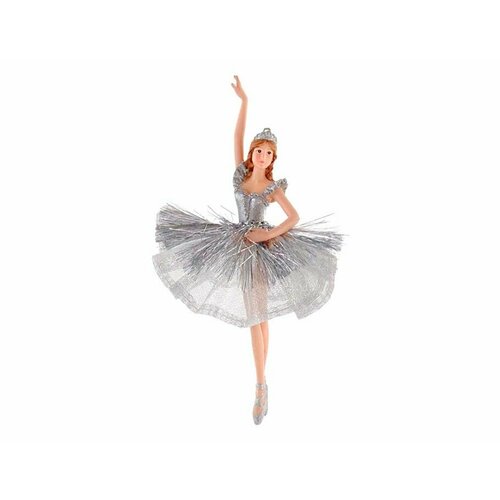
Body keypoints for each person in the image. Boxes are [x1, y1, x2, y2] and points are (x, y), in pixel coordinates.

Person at [152, 75, 345, 425]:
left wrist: (267, 233)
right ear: (252, 153)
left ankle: (259, 385)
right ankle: (262, 383)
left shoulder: (271, 187)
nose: (262, 156)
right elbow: (236, 137)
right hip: (235, 244)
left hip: (258, 250)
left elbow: (294, 217)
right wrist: (244, 102)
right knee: (257, 316)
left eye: (268, 153)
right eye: (259, 150)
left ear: (272, 160)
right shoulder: (241, 177)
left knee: (258, 316)